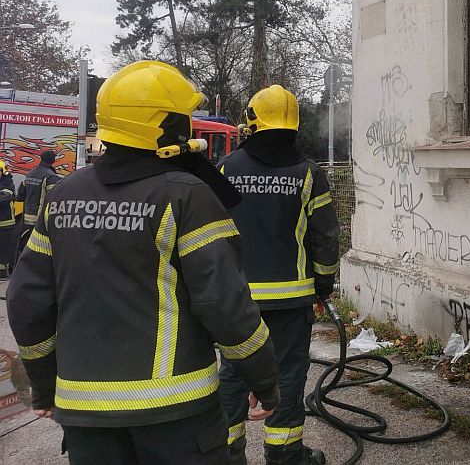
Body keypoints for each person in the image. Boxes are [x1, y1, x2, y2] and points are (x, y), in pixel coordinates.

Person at [7, 60, 280, 465]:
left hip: (86, 417)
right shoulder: (187, 196)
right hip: (176, 412)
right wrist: (264, 379)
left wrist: (45, 385)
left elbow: (27, 301)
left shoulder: (63, 194)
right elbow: (224, 304)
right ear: (167, 126)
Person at [217, 84, 340, 465]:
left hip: (236, 299)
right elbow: (326, 237)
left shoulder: (225, 169)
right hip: (291, 301)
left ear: (253, 123)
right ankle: (286, 455)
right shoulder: (308, 174)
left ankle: (225, 452)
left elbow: (208, 234)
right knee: (287, 374)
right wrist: (323, 286)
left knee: (235, 373)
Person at [15, 149, 62, 259]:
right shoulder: (50, 177)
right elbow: (54, 198)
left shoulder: (30, 174)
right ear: (53, 160)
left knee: (28, 243)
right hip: (41, 219)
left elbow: (21, 194)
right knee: (41, 248)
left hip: (27, 217)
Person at [0, 160, 16, 278]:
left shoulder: (8, 184)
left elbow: (4, 198)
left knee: (3, 250)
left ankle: (3, 273)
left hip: (5, 223)